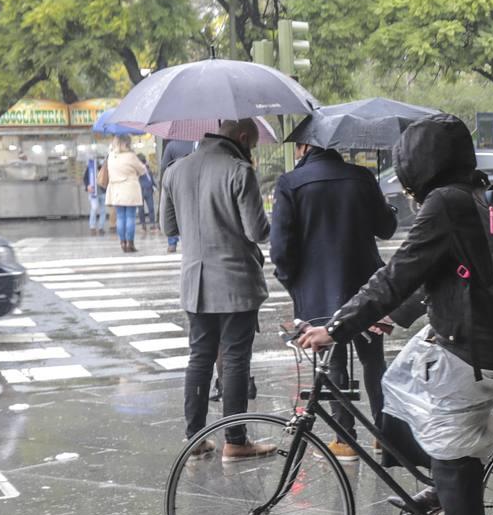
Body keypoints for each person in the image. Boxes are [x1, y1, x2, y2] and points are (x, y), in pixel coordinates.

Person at [298, 114, 493, 515]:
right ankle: (445, 485)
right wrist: (392, 317)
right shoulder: (470, 193)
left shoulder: (444, 203)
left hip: (476, 341)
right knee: (399, 392)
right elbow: (439, 268)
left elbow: (398, 272)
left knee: (452, 451)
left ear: (420, 167)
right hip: (478, 327)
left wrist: (336, 329)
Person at [271, 141, 398, 462]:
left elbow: (281, 249)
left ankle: (345, 438)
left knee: (332, 364)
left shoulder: (290, 183)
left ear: (303, 146)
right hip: (365, 284)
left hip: (317, 290)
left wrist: (293, 283)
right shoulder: (361, 177)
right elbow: (386, 229)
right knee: (374, 361)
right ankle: (384, 434)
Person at [159, 119, 274, 461]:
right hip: (236, 282)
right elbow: (257, 231)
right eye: (251, 145)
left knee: (200, 357)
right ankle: (236, 440)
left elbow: (168, 226)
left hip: (194, 283)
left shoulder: (175, 171)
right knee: (236, 358)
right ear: (241, 138)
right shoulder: (239, 171)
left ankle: (195, 436)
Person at [105, 136, 149, 253]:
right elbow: (143, 170)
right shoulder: (131, 156)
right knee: (130, 216)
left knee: (120, 217)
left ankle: (122, 243)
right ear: (127, 143)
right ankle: (130, 243)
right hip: (130, 189)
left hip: (116, 189)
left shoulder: (111, 156)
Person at [84, 153, 107, 235]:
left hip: (103, 192)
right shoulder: (90, 168)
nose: (98, 161)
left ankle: (101, 227)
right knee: (94, 208)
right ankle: (92, 227)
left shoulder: (104, 168)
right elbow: (85, 178)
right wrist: (87, 186)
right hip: (93, 192)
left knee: (103, 210)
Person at [137, 153, 156, 234]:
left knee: (151, 208)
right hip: (140, 190)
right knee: (141, 209)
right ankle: (143, 225)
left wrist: (155, 186)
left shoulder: (147, 168)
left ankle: (152, 224)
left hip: (148, 190)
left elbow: (151, 178)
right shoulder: (137, 169)